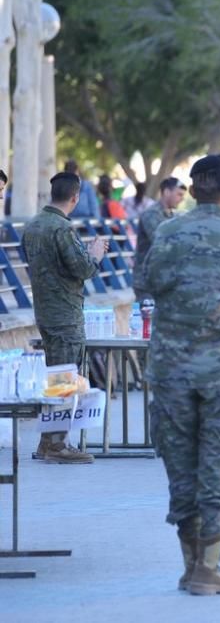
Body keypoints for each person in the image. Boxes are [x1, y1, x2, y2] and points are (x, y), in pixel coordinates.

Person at [145, 154, 220, 595]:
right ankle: (209, 568)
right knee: (219, 462)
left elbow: (151, 284)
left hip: (171, 370)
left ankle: (190, 564)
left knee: (181, 466)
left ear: (193, 190)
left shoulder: (166, 232)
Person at [23, 171, 108, 464]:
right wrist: (95, 253)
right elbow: (82, 270)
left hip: (45, 311)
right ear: (75, 197)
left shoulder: (33, 226)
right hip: (66, 314)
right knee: (66, 378)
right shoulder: (62, 229)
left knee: (56, 376)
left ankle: (49, 440)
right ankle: (57, 445)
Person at [132, 177, 187, 301]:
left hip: (164, 280)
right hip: (147, 282)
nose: (182, 198)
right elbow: (162, 242)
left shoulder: (172, 216)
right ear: (167, 192)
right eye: (179, 194)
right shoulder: (151, 214)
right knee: (146, 319)